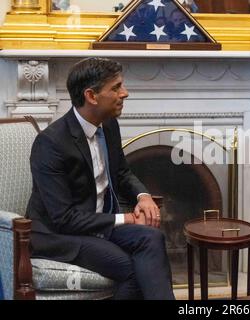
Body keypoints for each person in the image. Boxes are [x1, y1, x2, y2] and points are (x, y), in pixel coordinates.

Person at [26, 58, 175, 300]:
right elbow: (63, 219)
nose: (125, 93)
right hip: (59, 234)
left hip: (99, 223)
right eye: (116, 88)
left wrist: (143, 196)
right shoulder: (51, 144)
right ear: (91, 96)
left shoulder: (109, 125)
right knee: (130, 268)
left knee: (152, 238)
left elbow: (122, 172)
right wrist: (126, 218)